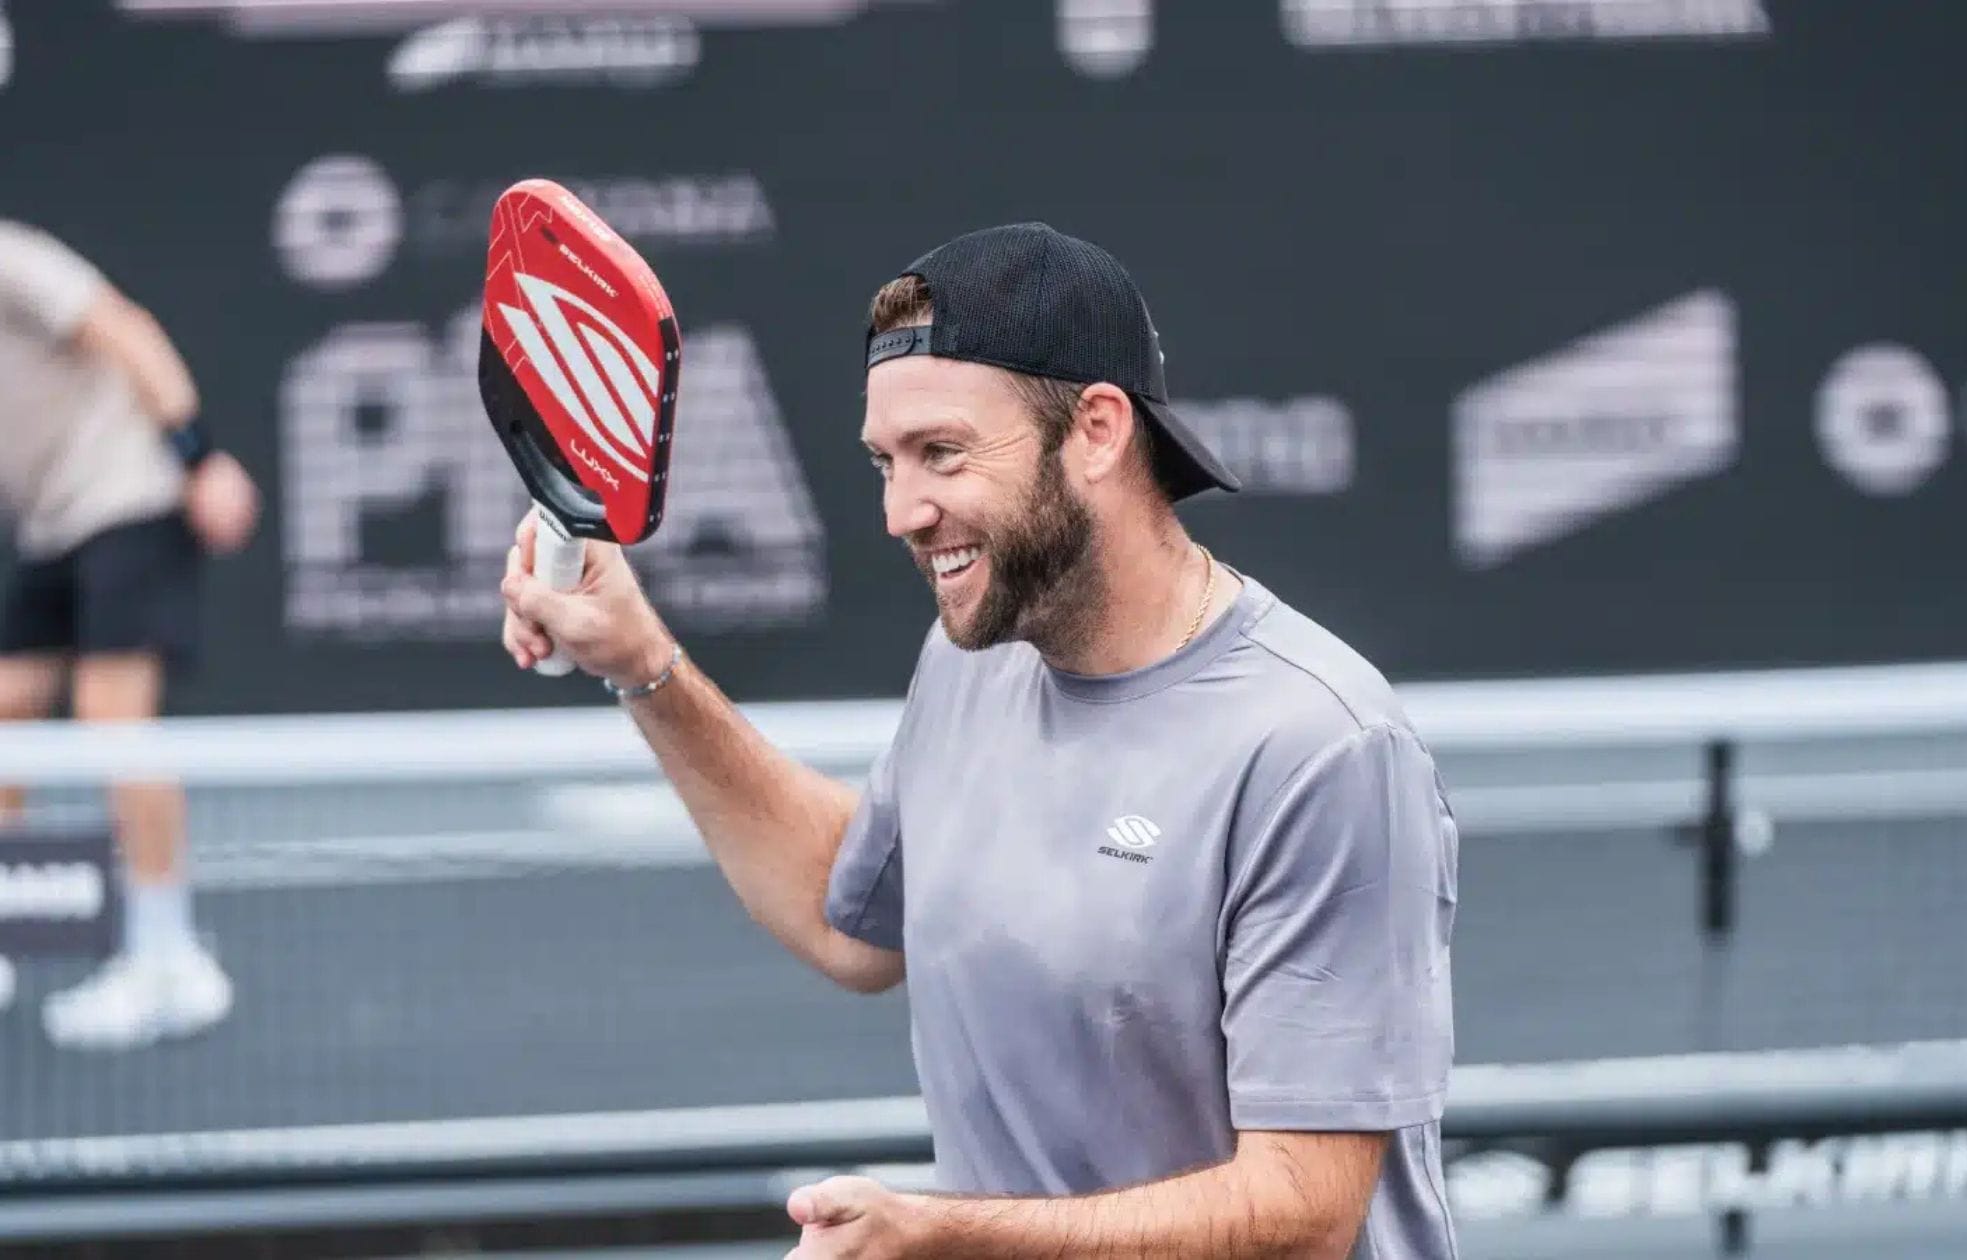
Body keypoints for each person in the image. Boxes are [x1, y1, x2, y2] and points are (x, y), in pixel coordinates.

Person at [499, 222, 1459, 1258]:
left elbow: (1302, 1215)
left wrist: (949, 1238)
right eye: (883, 461)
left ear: (1096, 430)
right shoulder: (970, 659)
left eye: (940, 455)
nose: (900, 511)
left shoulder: (1319, 747)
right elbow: (854, 922)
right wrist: (642, 663)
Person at [0, 220, 258, 1048]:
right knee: (8, 715)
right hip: (49, 524)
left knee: (115, 726)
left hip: (127, 494)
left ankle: (167, 957)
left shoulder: (9, 258)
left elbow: (125, 328)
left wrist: (200, 459)